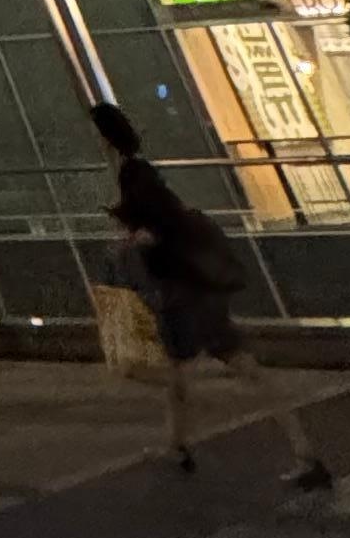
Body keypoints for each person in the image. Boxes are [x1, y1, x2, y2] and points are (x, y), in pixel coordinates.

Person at [90, 102, 330, 488]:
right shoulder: (135, 172)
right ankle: (292, 449)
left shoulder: (135, 175)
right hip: (195, 291)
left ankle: (188, 446)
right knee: (221, 370)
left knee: (179, 371)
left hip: (183, 296)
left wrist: (133, 242)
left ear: (105, 136)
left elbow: (161, 227)